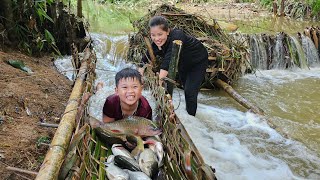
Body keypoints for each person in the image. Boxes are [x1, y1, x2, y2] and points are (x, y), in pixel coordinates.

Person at [139, 15, 208, 116]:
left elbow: (168, 61)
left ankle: (191, 118)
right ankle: (187, 112)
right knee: (185, 87)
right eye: (153, 35)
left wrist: (158, 84)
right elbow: (144, 60)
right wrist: (139, 77)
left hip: (197, 61)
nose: (157, 38)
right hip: (181, 62)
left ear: (167, 31)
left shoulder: (177, 37)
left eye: (160, 34)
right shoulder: (157, 43)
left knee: (190, 91)